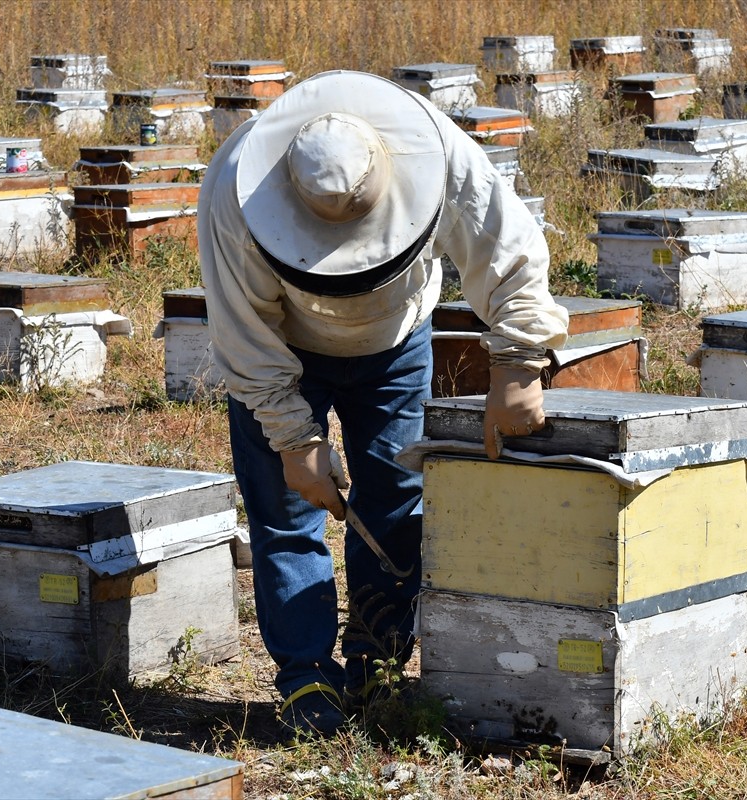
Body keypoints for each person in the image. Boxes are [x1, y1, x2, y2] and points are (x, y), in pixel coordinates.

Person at [198, 70, 569, 738]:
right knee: (284, 515)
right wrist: (294, 438)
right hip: (282, 353)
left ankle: (378, 660)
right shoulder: (234, 189)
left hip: (396, 345)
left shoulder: (436, 146)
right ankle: (306, 676)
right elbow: (242, 333)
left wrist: (518, 358)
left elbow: (501, 240)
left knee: (395, 499)